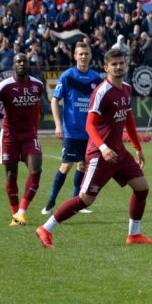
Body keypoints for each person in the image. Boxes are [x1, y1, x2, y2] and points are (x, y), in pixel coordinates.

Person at [36, 49, 152, 249]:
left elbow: (128, 119)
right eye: (114, 64)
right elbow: (90, 125)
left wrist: (137, 147)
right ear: (106, 67)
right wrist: (103, 147)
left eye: (121, 63)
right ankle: (46, 228)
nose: (118, 67)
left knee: (142, 188)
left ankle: (134, 235)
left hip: (119, 153)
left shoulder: (126, 89)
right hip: (100, 155)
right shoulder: (101, 92)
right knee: (85, 200)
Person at [0, 53, 44, 226]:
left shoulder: (37, 85)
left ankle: (22, 212)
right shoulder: (5, 86)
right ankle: (15, 215)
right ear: (13, 65)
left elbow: (36, 108)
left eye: (24, 61)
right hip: (9, 135)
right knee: (11, 174)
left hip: (29, 135)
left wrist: (36, 131)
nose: (22, 64)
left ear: (28, 64)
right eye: (18, 61)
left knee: (36, 171)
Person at [41, 42, 103, 215]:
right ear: (75, 56)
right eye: (80, 54)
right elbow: (55, 100)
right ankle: (51, 202)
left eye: (86, 54)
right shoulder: (67, 76)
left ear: (91, 56)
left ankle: (75, 204)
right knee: (66, 166)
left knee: (83, 165)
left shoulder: (96, 78)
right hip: (71, 132)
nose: (83, 57)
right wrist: (58, 125)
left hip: (89, 133)